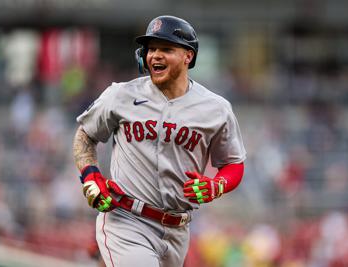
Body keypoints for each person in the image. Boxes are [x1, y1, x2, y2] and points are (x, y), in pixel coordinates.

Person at [72, 15, 246, 267]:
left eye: (166, 48)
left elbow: (234, 164)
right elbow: (85, 134)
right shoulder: (121, 95)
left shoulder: (216, 109)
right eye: (151, 49)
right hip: (127, 221)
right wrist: (89, 174)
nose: (155, 55)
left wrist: (217, 185)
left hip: (178, 231)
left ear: (188, 56)